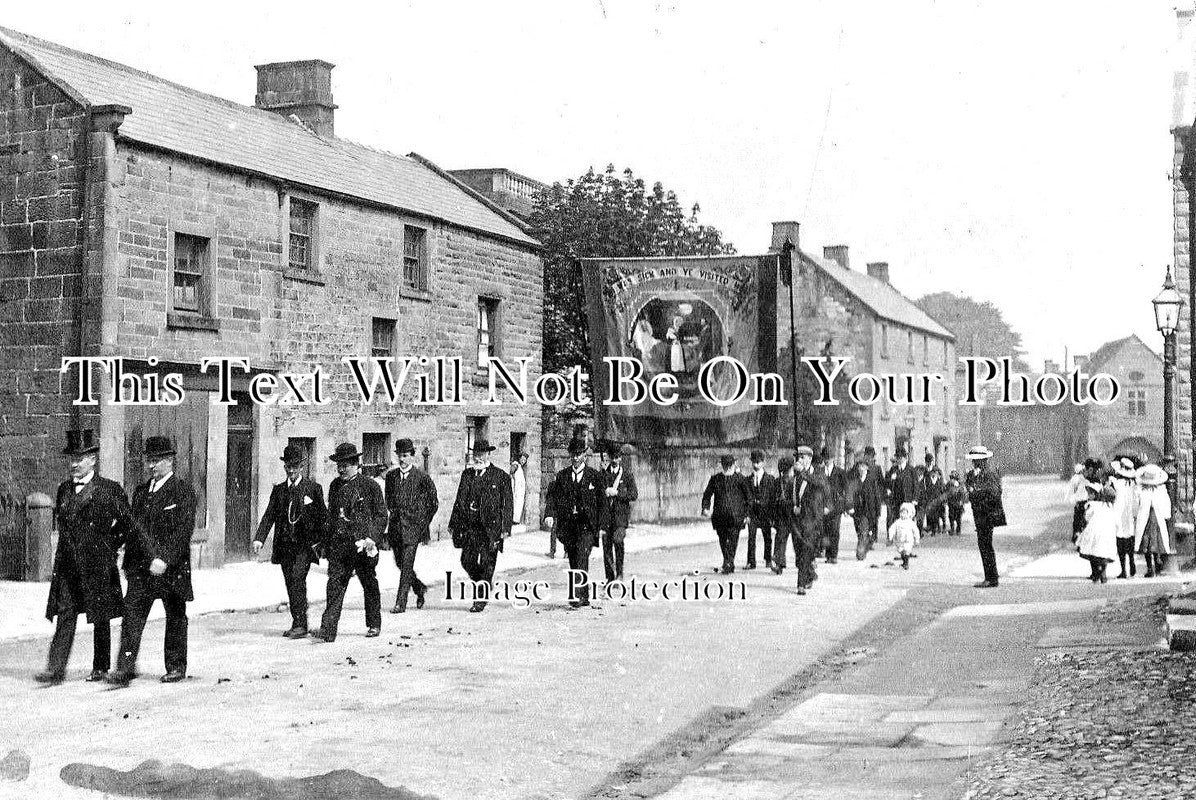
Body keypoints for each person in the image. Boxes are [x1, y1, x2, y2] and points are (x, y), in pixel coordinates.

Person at [37, 430, 148, 685]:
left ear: (93, 460)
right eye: (72, 459)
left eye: (80, 458)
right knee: (65, 614)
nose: (74, 464)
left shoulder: (108, 489)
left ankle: (100, 666)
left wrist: (110, 545)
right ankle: (55, 669)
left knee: (101, 615)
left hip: (98, 563)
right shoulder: (64, 490)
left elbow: (127, 524)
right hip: (68, 565)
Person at [109, 436, 197, 686]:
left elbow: (183, 531)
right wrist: (115, 553)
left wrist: (165, 559)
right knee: (132, 616)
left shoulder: (182, 491)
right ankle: (124, 668)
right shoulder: (140, 492)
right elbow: (130, 528)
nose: (151, 466)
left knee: (176, 616)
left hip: (171, 569)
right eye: (149, 460)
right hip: (140, 569)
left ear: (170, 461)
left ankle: (176, 666)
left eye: (156, 461)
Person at [313, 443, 387, 641]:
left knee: (369, 583)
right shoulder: (335, 486)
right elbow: (331, 516)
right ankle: (328, 630)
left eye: (345, 465)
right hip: (340, 546)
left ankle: (374, 624)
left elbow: (381, 515)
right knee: (335, 584)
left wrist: (372, 537)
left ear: (356, 464)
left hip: (363, 546)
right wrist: (325, 544)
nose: (341, 469)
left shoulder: (370, 486)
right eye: (339, 465)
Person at [253, 444, 327, 638]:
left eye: (295, 466)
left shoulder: (313, 488)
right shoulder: (278, 490)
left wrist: (322, 543)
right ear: (285, 467)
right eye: (288, 466)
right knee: (290, 582)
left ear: (302, 466)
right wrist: (260, 538)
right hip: (284, 546)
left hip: (304, 546)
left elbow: (323, 518)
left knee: (297, 579)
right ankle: (298, 622)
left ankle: (301, 624)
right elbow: (269, 515)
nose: (291, 470)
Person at [448, 439, 513, 612]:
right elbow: (458, 500)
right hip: (470, 527)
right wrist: (453, 523)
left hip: (490, 529)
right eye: (476, 454)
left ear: (488, 455)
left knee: (486, 563)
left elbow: (508, 505)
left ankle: (480, 599)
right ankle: (483, 583)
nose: (478, 458)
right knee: (466, 561)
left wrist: (505, 529)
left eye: (482, 454)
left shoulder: (500, 477)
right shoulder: (467, 475)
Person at [544, 438, 603, 607]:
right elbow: (552, 497)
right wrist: (549, 514)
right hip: (568, 525)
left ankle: (575, 595)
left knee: (582, 555)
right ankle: (583, 596)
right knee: (574, 559)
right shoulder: (562, 476)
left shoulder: (594, 476)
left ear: (585, 454)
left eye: (579, 454)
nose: (576, 458)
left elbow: (602, 504)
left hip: (587, 525)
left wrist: (602, 526)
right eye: (573, 455)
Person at [385, 438, 438, 613]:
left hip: (413, 530)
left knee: (406, 565)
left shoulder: (422, 477)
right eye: (399, 456)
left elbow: (433, 503)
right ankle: (419, 588)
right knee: (400, 563)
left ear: (412, 457)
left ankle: (401, 602)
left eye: (405, 456)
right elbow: (389, 501)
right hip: (396, 528)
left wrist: (422, 523)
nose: (402, 459)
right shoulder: (391, 477)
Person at [964, 445, 1006, 588]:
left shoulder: (990, 474)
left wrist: (975, 491)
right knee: (983, 545)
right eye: (973, 461)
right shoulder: (972, 475)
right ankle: (990, 576)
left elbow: (995, 493)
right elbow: (969, 490)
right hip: (979, 515)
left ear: (984, 460)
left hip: (988, 514)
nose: (974, 463)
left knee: (986, 545)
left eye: (977, 461)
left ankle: (991, 578)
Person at [701, 454, 750, 574]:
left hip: (736, 516)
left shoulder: (740, 479)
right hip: (720, 516)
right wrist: (705, 508)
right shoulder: (715, 479)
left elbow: (748, 498)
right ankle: (728, 561)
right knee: (723, 540)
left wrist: (747, 515)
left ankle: (728, 562)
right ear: (721, 466)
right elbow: (707, 495)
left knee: (733, 539)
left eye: (729, 466)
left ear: (734, 465)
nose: (727, 468)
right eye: (725, 466)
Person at [597, 442, 638, 582]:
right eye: (612, 457)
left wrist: (617, 493)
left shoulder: (627, 475)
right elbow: (597, 494)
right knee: (606, 547)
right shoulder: (603, 474)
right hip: (606, 518)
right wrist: (604, 491)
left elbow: (634, 494)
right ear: (608, 457)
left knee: (618, 541)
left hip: (620, 518)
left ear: (620, 458)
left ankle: (619, 573)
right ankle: (610, 577)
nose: (614, 461)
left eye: (617, 457)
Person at [791, 446, 826, 594]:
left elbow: (819, 484)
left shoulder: (817, 473)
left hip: (812, 520)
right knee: (799, 553)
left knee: (805, 550)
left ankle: (801, 583)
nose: (799, 460)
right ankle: (809, 572)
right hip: (797, 519)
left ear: (810, 459)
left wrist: (803, 472)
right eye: (797, 457)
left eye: (802, 457)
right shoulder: (796, 475)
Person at [1134, 464, 1174, 578]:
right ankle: (1156, 564)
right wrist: (1167, 516)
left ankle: (1151, 567)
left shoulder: (1142, 490)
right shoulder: (1160, 490)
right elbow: (1166, 503)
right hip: (1155, 519)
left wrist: (1136, 515)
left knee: (1148, 542)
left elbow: (1137, 505)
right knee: (1155, 541)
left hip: (1147, 519)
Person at [846, 447, 884, 559]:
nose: (861, 469)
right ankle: (864, 545)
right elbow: (849, 494)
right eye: (860, 467)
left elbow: (876, 495)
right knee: (859, 530)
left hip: (868, 509)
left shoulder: (872, 480)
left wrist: (878, 510)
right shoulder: (854, 480)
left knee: (864, 530)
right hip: (856, 510)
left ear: (867, 468)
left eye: (863, 467)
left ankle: (860, 552)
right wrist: (849, 507)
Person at [743, 450, 777, 570]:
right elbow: (745, 499)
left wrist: (773, 516)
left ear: (763, 462)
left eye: (758, 462)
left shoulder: (770, 479)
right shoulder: (748, 480)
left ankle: (768, 559)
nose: (756, 465)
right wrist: (746, 515)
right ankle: (751, 561)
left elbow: (773, 499)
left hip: (765, 513)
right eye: (754, 462)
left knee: (767, 537)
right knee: (751, 537)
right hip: (752, 513)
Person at [1076, 485, 1118, 583]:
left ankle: (1095, 573)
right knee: (1104, 553)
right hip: (1107, 533)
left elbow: (1087, 517)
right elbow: (1117, 523)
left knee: (1092, 553)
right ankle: (1103, 573)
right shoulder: (1114, 509)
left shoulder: (1095, 505)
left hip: (1093, 531)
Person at [1109, 456, 1139, 579]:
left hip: (1118, 513)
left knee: (1120, 541)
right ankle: (1132, 561)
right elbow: (1136, 501)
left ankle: (1123, 569)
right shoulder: (1133, 484)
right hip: (1129, 515)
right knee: (1129, 538)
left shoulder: (1116, 483)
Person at [816, 447, 846, 563]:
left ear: (833, 458)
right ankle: (827, 553)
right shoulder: (819, 472)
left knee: (834, 530)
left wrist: (845, 506)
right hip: (822, 506)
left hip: (835, 506)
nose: (827, 460)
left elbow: (845, 489)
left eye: (829, 458)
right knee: (824, 530)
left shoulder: (840, 472)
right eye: (825, 458)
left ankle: (833, 555)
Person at [885, 448, 918, 536]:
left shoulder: (911, 470)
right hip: (896, 499)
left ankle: (909, 536)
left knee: (907, 519)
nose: (899, 459)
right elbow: (887, 483)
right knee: (896, 518)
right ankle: (895, 536)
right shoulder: (893, 469)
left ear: (905, 458)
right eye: (898, 457)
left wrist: (915, 498)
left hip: (907, 498)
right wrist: (891, 480)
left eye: (901, 457)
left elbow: (916, 485)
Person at [887, 502, 920, 570]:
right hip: (899, 540)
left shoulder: (911, 523)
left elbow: (916, 531)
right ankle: (904, 561)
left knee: (907, 551)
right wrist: (890, 537)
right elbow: (892, 529)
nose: (903, 515)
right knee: (901, 551)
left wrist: (917, 539)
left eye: (905, 513)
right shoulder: (898, 522)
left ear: (909, 514)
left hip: (908, 540)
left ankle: (906, 563)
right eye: (901, 513)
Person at [943, 471, 968, 536]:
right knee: (951, 516)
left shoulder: (960, 484)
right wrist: (945, 501)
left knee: (958, 517)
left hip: (958, 503)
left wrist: (962, 501)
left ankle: (958, 530)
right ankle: (952, 529)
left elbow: (964, 493)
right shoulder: (948, 484)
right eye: (951, 478)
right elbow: (945, 492)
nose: (952, 480)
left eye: (953, 478)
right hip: (951, 503)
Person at [510, 450, 529, 531]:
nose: (523, 461)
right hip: (516, 489)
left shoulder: (521, 467)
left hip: (520, 490)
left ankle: (516, 520)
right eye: (522, 459)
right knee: (515, 503)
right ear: (519, 458)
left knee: (519, 504)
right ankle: (513, 520)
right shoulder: (515, 465)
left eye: (525, 460)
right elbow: (511, 473)